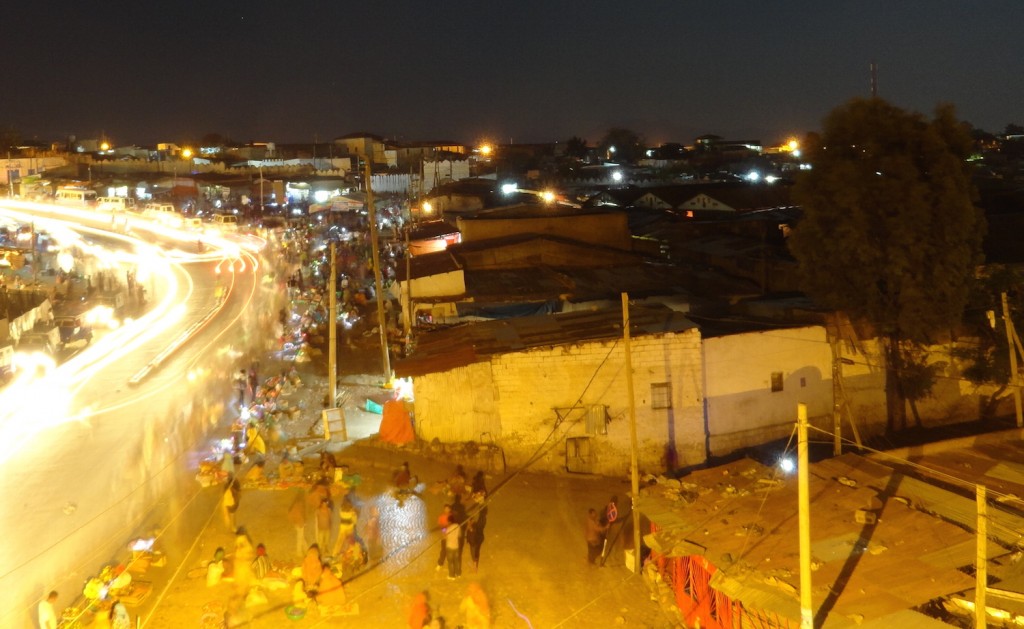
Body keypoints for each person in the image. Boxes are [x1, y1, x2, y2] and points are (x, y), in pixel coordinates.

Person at [288, 490, 308, 558]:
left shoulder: (296, 503)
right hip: (300, 523)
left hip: (298, 523)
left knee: (300, 537)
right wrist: (303, 522)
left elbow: (293, 513)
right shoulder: (300, 503)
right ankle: (302, 551)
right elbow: (301, 514)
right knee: (300, 537)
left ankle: (303, 551)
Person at [435, 504, 452, 571]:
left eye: (448, 509)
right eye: (445, 509)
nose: (446, 510)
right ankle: (440, 564)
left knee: (451, 551)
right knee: (443, 551)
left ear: (450, 509)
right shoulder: (441, 517)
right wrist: (444, 530)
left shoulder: (452, 516)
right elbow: (440, 525)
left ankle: (450, 564)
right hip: (444, 537)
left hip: (451, 537)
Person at [445, 515, 462, 580]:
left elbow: (446, 538)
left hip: (449, 546)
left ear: (449, 521)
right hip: (456, 546)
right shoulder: (457, 526)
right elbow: (460, 535)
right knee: (457, 561)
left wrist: (444, 533)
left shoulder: (448, 529)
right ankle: (458, 574)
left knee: (450, 562)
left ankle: (452, 576)